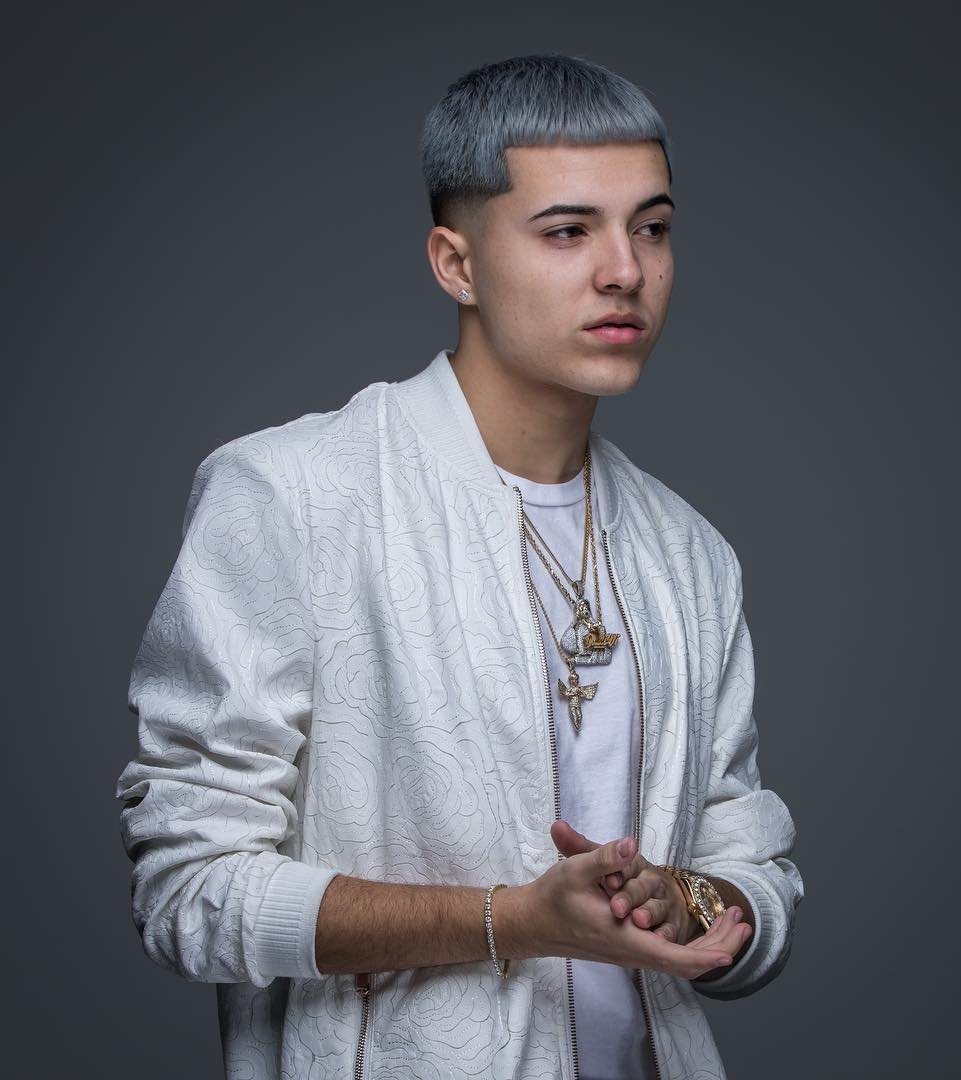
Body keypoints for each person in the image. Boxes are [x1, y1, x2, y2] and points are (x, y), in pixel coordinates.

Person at [116, 52, 804, 1080]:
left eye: (652, 228)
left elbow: (753, 870)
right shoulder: (292, 496)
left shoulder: (689, 553)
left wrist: (688, 898)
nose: (625, 270)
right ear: (457, 263)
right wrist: (513, 919)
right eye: (568, 231)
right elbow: (189, 892)